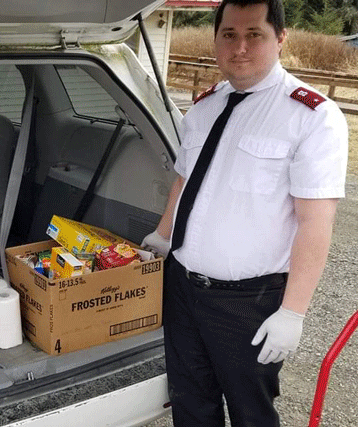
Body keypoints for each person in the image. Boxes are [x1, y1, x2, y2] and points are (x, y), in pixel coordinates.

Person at [141, 0, 348, 425]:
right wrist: (163, 236)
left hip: (246, 302)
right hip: (181, 287)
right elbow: (183, 179)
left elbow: (316, 222)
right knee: (190, 402)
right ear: (216, 39)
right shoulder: (204, 107)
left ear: (280, 38)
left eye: (255, 35)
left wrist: (292, 313)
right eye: (229, 35)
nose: (239, 48)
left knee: (250, 413)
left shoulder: (311, 117)